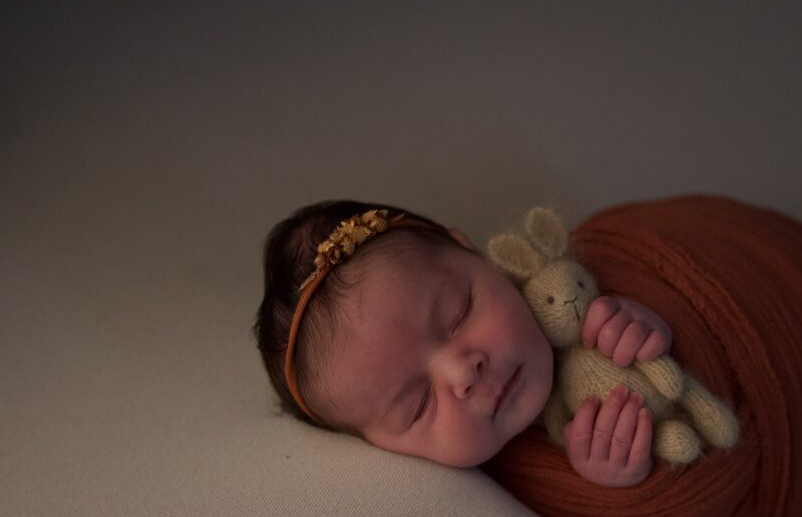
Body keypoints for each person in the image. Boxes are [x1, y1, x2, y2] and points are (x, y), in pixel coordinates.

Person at [253, 201, 673, 487]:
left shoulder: (572, 293)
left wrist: (657, 324)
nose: (463, 374)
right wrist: (613, 484)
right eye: (417, 405)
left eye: (459, 314)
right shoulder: (505, 494)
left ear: (471, 250)